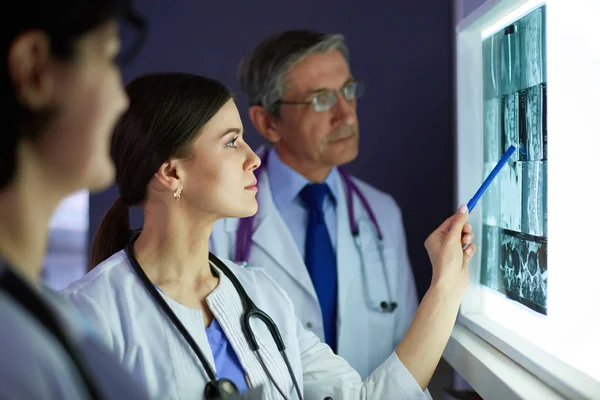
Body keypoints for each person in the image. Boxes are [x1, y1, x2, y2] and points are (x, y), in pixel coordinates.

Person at [61, 72, 476, 400]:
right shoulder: (90, 316)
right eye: (231, 143)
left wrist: (445, 285)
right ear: (172, 173)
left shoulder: (262, 295)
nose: (252, 159)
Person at [208, 29, 420, 379]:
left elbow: (408, 355)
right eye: (321, 100)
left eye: (348, 91)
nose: (346, 115)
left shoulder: (382, 214)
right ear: (268, 123)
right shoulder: (220, 218)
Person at [0, 1, 152, 399]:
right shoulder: (12, 352)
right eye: (109, 58)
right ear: (36, 70)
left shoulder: (39, 311)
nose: (121, 99)